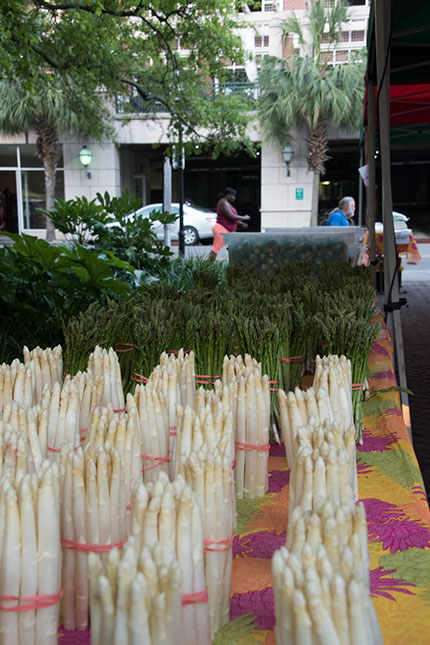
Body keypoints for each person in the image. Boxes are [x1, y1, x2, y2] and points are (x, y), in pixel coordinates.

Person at [209, 187, 250, 261]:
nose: (234, 198)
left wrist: (241, 224)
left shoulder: (226, 203)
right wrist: (245, 217)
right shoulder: (223, 203)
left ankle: (236, 263)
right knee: (216, 249)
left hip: (228, 231)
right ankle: (208, 265)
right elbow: (232, 216)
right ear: (228, 195)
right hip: (221, 229)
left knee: (236, 247)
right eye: (233, 196)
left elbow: (230, 218)